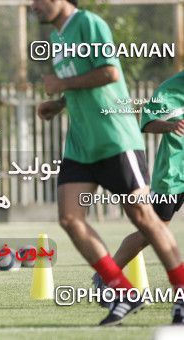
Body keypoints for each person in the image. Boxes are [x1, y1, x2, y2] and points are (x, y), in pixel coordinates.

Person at [32, 0, 184, 326]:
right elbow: (80, 85)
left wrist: (62, 85)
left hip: (115, 137)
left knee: (145, 218)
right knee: (70, 219)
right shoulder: (56, 40)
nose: (34, 5)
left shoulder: (89, 23)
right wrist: (58, 103)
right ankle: (123, 293)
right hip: (81, 144)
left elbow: (109, 72)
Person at [93, 70, 184, 323]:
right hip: (174, 174)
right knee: (151, 232)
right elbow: (146, 122)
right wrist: (171, 126)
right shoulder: (169, 90)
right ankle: (106, 274)